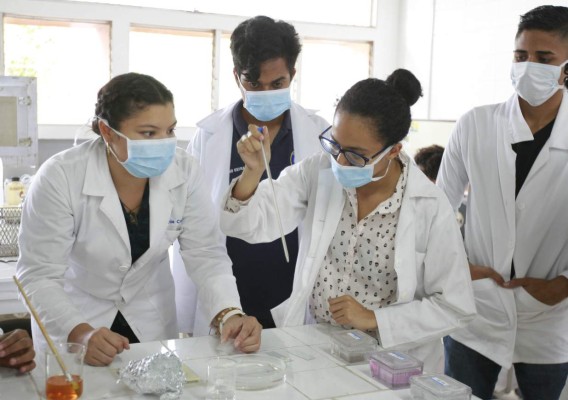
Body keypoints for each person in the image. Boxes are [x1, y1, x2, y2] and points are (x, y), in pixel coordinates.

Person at [220, 70, 476, 371]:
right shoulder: (319, 170)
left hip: (392, 363)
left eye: (356, 156)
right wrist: (252, 172)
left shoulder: (430, 206)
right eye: (335, 145)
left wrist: (374, 318)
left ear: (394, 150)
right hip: (317, 349)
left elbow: (454, 306)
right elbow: (245, 225)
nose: (340, 161)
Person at [16, 73, 261, 366]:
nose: (164, 143)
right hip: (78, 319)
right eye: (148, 133)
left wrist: (228, 313)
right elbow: (38, 275)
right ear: (108, 133)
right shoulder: (61, 176)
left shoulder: (183, 171)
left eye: (169, 130)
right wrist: (79, 333)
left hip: (150, 317)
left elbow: (206, 253)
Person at [437, 5, 568, 400]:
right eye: (520, 56)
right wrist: (457, 267)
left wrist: (564, 285)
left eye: (544, 58)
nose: (529, 67)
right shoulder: (476, 123)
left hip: (550, 315)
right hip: (476, 309)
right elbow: (437, 211)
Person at [171, 15, 329, 335]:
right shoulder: (210, 137)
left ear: (292, 75)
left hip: (294, 289)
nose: (265, 92)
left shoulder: (319, 134)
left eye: (277, 84)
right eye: (253, 84)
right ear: (236, 76)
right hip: (228, 289)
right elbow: (195, 222)